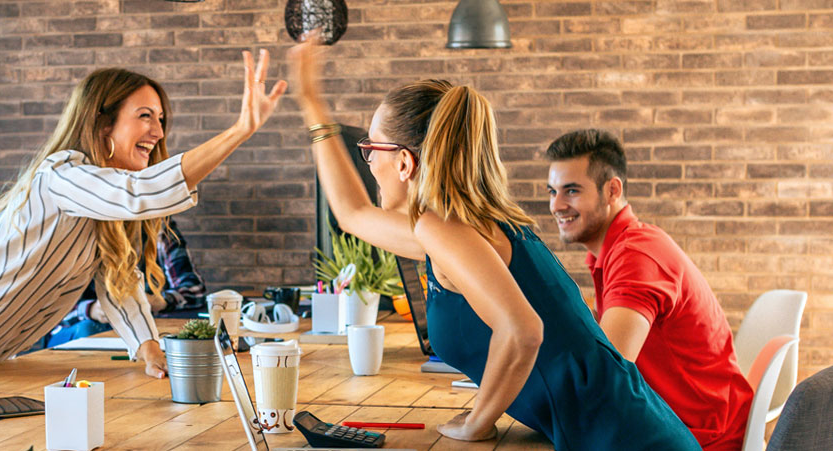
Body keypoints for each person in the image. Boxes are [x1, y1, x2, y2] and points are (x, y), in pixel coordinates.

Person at [286, 36, 699, 450]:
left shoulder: (441, 228)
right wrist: (311, 105)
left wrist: (477, 422)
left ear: (405, 162)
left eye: (370, 149)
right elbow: (353, 214)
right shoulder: (462, 227)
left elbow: (523, 331)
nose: (369, 161)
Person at [0, 51, 286, 387]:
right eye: (145, 116)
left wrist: (147, 346)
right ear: (102, 123)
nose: (157, 131)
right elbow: (140, 193)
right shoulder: (60, 175)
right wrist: (240, 130)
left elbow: (119, 282)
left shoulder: (102, 202)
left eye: (161, 119)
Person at [546, 129, 753, 450]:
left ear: (612, 190)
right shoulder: (620, 248)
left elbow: (607, 377)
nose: (556, 205)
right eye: (552, 191)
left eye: (571, 191)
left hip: (701, 438)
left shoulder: (635, 256)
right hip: (682, 424)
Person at [43, 218, 206, 348]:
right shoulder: (78, 228)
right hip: (80, 328)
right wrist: (90, 309)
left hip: (139, 328)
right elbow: (45, 308)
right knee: (88, 329)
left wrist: (160, 301)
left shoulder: (157, 226)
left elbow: (195, 290)